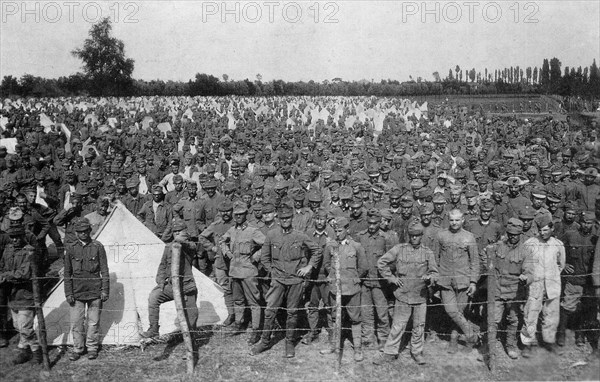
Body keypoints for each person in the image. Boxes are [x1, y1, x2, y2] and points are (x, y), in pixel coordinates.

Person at [251, 205, 321, 357]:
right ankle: (264, 341)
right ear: (278, 218)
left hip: (295, 280)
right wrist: (272, 272)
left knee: (292, 312)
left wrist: (309, 266)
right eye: (282, 218)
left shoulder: (300, 235)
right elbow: (264, 257)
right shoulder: (271, 235)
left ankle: (289, 342)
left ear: (292, 218)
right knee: (270, 311)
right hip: (278, 280)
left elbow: (316, 250)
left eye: (288, 218)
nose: (285, 221)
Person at [373, 222, 439, 365]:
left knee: (419, 326)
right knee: (398, 325)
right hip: (402, 295)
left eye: (417, 236)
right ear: (409, 236)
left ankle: (417, 352)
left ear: (421, 236)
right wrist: (391, 278)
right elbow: (381, 262)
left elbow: (435, 272)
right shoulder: (399, 249)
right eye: (412, 236)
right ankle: (390, 352)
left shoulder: (428, 252)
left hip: (420, 295)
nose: (414, 238)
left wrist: (430, 278)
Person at [320, 217, 368, 362]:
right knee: (335, 317)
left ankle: (358, 348)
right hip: (336, 288)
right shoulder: (331, 246)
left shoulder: (356, 246)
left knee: (355, 318)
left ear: (347, 230)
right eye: (336, 231)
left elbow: (363, 267)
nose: (337, 233)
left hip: (352, 288)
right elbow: (327, 264)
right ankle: (334, 345)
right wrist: (333, 276)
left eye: (340, 231)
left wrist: (354, 278)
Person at [141, 221, 198, 340]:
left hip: (186, 287)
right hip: (171, 286)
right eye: (175, 232)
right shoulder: (168, 247)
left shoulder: (189, 245)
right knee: (154, 297)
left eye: (180, 231)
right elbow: (162, 265)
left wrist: (181, 241)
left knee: (191, 318)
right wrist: (161, 280)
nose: (177, 234)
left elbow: (192, 247)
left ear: (185, 232)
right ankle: (154, 328)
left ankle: (191, 345)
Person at [483, 218, 531, 359]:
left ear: (520, 234)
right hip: (497, 290)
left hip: (514, 292)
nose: (512, 237)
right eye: (510, 233)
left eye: (515, 234)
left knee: (513, 319)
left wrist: (526, 277)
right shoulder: (497, 246)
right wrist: (488, 266)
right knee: (493, 319)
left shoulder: (525, 251)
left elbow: (529, 270)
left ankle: (510, 345)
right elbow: (485, 257)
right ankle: (489, 348)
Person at [434, 209, 479, 353]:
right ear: (448, 220)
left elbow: (475, 262)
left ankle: (453, 339)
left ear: (463, 220)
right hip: (445, 280)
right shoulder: (441, 235)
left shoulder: (469, 237)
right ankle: (472, 336)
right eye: (452, 220)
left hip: (463, 281)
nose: (454, 223)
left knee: (459, 312)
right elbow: (435, 258)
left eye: (457, 220)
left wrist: (473, 282)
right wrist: (435, 276)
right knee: (451, 310)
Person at [63, 218, 109, 361]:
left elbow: (104, 270)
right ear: (76, 233)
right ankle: (78, 348)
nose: (83, 234)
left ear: (90, 231)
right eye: (80, 232)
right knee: (76, 322)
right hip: (77, 292)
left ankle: (92, 347)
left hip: (95, 291)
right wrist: (68, 292)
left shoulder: (97, 247)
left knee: (93, 322)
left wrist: (105, 290)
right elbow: (67, 273)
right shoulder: (71, 249)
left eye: (85, 231)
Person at [520, 215, 565, 356]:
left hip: (552, 283)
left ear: (552, 228)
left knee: (551, 314)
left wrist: (552, 276)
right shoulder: (530, 243)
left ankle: (549, 341)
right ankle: (528, 343)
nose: (542, 233)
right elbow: (524, 264)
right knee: (531, 313)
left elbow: (561, 264)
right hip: (535, 284)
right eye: (540, 230)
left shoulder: (558, 245)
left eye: (546, 230)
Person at [220, 201, 266, 338]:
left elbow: (266, 244)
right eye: (236, 215)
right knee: (238, 300)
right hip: (234, 271)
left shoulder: (253, 231)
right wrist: (227, 253)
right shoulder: (232, 230)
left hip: (248, 271)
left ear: (246, 214)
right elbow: (222, 241)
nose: (238, 217)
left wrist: (256, 256)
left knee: (253, 301)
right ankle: (238, 323)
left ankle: (256, 329)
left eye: (241, 214)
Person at [0, 224, 41, 364]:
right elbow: (2, 266)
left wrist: (5, 276)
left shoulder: (29, 251)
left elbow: (24, 274)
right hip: (12, 294)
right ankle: (25, 351)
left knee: (25, 326)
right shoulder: (8, 250)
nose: (15, 240)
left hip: (26, 294)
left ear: (23, 236)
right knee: (17, 325)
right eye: (12, 237)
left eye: (18, 237)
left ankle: (36, 351)